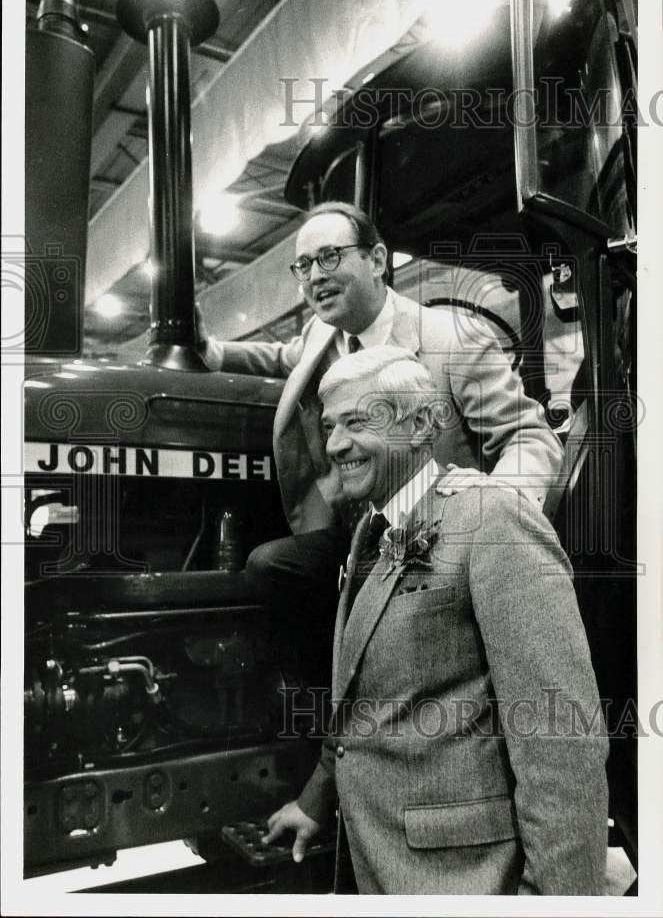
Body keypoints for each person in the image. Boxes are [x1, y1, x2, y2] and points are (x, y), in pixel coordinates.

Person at [263, 346, 609, 895]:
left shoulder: (492, 518)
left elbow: (560, 738)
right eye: (330, 426)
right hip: (380, 865)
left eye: (358, 422)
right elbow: (366, 702)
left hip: (462, 880)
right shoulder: (368, 535)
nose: (335, 445)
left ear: (423, 423)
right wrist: (317, 800)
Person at [199, 202, 564, 639]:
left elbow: (529, 437)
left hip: (432, 537)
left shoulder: (453, 340)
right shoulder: (323, 334)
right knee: (270, 565)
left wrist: (496, 509)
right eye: (304, 265)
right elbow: (283, 357)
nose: (315, 275)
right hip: (356, 531)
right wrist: (212, 350)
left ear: (377, 260)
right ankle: (332, 693)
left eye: (330, 256)